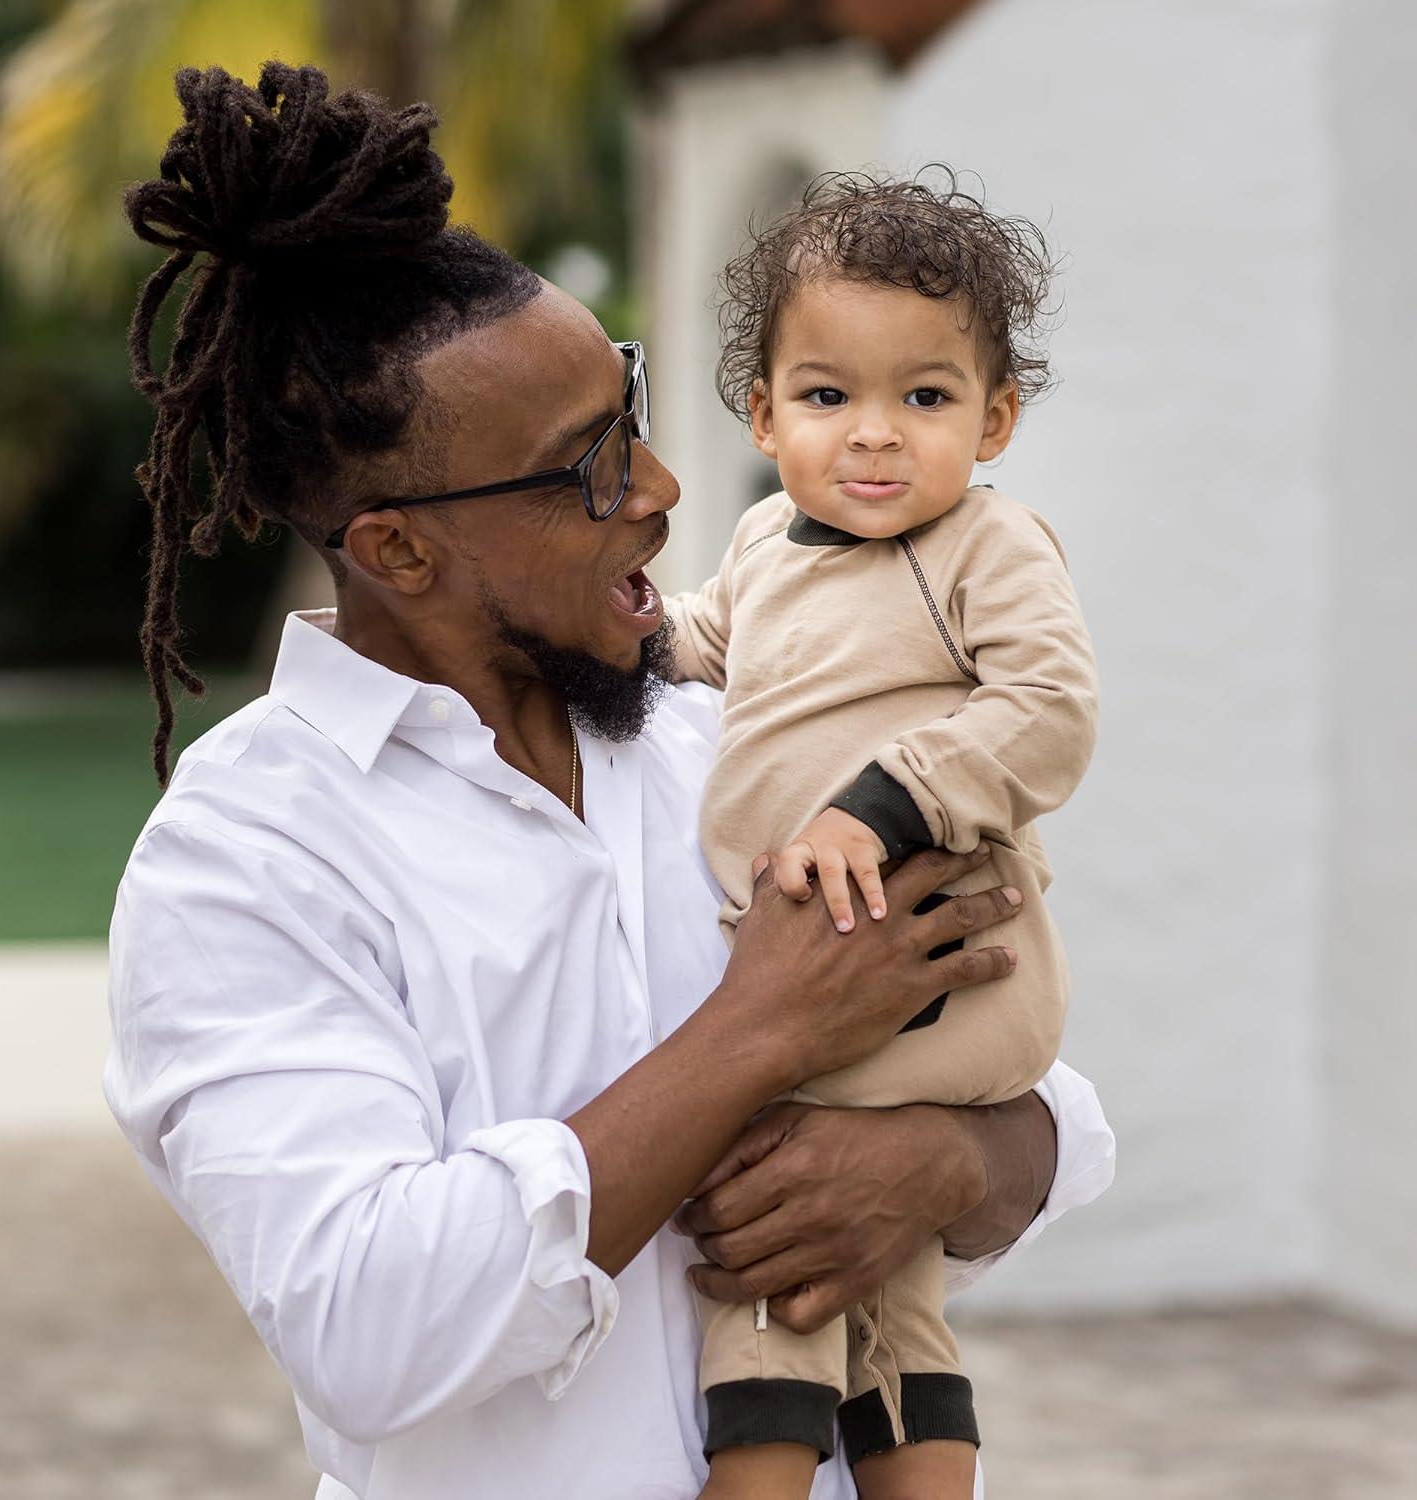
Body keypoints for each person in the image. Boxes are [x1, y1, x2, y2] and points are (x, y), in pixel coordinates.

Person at [103, 62, 1115, 1500]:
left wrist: (945, 1165)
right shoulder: (248, 855)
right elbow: (369, 1327)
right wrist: (761, 1029)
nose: (659, 488)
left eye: (627, 410)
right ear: (399, 550)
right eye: (584, 469)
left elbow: (1059, 1119)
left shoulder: (735, 731)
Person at [665, 175, 1098, 1499]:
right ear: (763, 415)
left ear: (994, 418)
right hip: (845, 962)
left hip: (937, 957)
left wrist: (884, 800)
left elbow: (1050, 709)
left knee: (767, 1225)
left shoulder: (986, 544)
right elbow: (697, 643)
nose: (873, 434)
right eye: (825, 395)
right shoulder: (764, 543)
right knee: (888, 1288)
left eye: (923, 396)